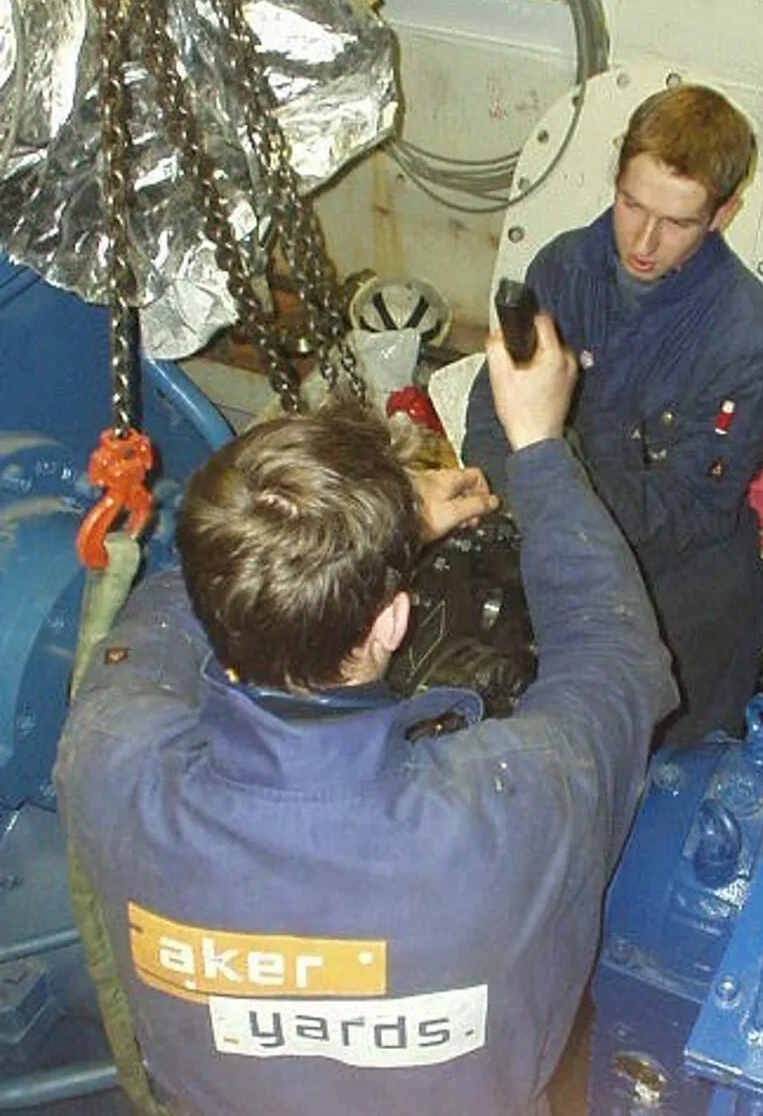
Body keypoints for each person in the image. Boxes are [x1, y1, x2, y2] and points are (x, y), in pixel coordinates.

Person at [54, 315, 677, 1116]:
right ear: (390, 622)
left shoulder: (110, 760)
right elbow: (616, 654)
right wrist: (539, 448)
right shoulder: (515, 806)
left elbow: (171, 614)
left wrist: (350, 537)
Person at [464, 82, 763, 748]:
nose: (644, 240)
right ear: (616, 179)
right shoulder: (563, 267)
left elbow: (683, 513)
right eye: (631, 204)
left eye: (677, 222)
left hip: (680, 618)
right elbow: (489, 408)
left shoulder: (759, 351)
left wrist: (542, 493)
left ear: (723, 213)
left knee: (659, 798)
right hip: (551, 560)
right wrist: (499, 495)